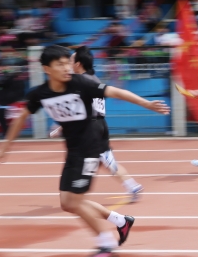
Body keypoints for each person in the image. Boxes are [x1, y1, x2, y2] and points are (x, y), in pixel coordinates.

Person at [0, 45, 170, 257]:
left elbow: (115, 91)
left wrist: (147, 103)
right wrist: (6, 146)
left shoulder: (81, 83)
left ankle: (106, 243)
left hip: (90, 147)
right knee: (68, 203)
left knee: (75, 201)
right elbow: (21, 117)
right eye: (60, 64)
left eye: (68, 63)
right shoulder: (40, 93)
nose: (66, 67)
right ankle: (120, 221)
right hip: (73, 150)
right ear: (47, 69)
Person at [50, 45, 144, 202]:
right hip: (98, 125)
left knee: (95, 161)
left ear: (78, 64)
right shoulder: (94, 79)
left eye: (71, 61)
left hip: (91, 128)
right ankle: (131, 186)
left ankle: (78, 194)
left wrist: (60, 126)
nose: (68, 65)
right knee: (104, 161)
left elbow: (79, 109)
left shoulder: (82, 83)